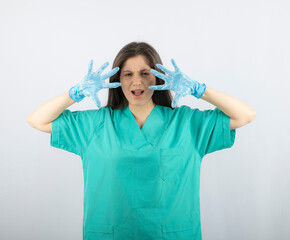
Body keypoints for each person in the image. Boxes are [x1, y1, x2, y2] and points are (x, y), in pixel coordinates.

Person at [27, 41, 256, 239]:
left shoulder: (186, 123)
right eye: (128, 74)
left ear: (157, 77)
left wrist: (200, 90)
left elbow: (245, 115)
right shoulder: (96, 124)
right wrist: (75, 93)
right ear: (117, 80)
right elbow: (37, 120)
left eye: (145, 73)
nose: (137, 82)